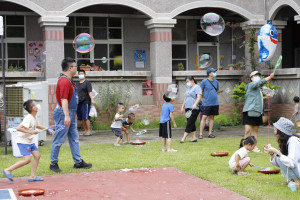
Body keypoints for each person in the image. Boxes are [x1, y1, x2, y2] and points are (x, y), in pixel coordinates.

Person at [50, 57, 92, 173]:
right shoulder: (64, 81)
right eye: (75, 67)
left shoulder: (70, 81)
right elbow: (64, 100)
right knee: (59, 139)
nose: (77, 69)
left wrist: (72, 114)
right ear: (70, 68)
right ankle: (53, 163)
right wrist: (67, 115)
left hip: (70, 113)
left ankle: (78, 162)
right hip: (64, 113)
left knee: (74, 138)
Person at [2, 100, 48, 181]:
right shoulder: (28, 118)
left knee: (37, 156)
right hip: (23, 141)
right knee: (27, 160)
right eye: (36, 104)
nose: (38, 105)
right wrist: (31, 132)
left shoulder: (34, 116)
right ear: (34, 108)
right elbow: (18, 128)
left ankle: (32, 176)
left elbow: (38, 125)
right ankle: (8, 170)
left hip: (29, 140)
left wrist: (48, 129)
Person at [242, 71, 275, 152]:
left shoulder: (258, 89)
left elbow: (255, 98)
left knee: (255, 129)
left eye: (258, 75)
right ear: (251, 78)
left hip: (257, 111)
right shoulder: (251, 85)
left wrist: (264, 98)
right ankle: (246, 147)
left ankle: (254, 147)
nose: (257, 77)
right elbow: (259, 82)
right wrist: (269, 77)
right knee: (247, 130)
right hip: (249, 110)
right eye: (255, 76)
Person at [263, 117, 300, 187]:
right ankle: (291, 180)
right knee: (280, 158)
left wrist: (277, 153)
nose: (274, 129)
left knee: (282, 158)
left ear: (281, 130)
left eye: (276, 128)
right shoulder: (285, 141)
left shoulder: (293, 141)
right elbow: (278, 163)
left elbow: (292, 163)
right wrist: (272, 153)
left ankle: (297, 182)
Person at [199, 68, 219, 139]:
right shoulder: (204, 81)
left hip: (215, 103)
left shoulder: (216, 81)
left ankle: (210, 133)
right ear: (209, 73)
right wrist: (204, 98)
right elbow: (200, 91)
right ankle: (201, 134)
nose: (215, 73)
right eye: (213, 72)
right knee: (204, 117)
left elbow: (217, 91)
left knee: (212, 117)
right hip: (206, 103)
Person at [180, 76, 202, 143]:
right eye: (186, 82)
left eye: (188, 81)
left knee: (190, 122)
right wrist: (182, 106)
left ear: (192, 80)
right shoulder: (188, 88)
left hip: (194, 108)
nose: (187, 83)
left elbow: (199, 97)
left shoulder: (197, 87)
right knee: (191, 123)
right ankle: (194, 138)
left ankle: (184, 138)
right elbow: (186, 98)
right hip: (187, 107)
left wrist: (195, 104)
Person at [76, 69, 96, 136]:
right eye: (79, 74)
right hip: (79, 102)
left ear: (85, 75)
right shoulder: (77, 84)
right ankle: (85, 131)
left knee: (86, 117)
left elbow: (90, 92)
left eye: (82, 73)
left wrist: (92, 100)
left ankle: (89, 131)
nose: (80, 75)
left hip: (86, 102)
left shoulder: (87, 83)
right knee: (81, 118)